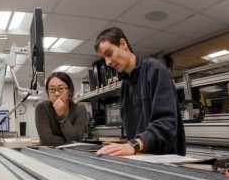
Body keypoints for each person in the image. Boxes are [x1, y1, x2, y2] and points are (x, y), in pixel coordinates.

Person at [94, 27, 185, 157]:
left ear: (123, 44)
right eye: (104, 58)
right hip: (143, 157)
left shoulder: (154, 70)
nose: (107, 62)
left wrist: (134, 145)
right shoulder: (125, 85)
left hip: (166, 160)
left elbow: (166, 124)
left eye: (109, 53)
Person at [35, 72, 87, 146]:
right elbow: (47, 141)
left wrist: (61, 115)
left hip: (72, 153)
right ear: (48, 92)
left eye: (61, 88)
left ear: (69, 90)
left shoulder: (79, 108)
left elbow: (76, 140)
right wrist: (70, 140)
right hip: (49, 153)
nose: (56, 94)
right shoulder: (42, 107)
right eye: (52, 89)